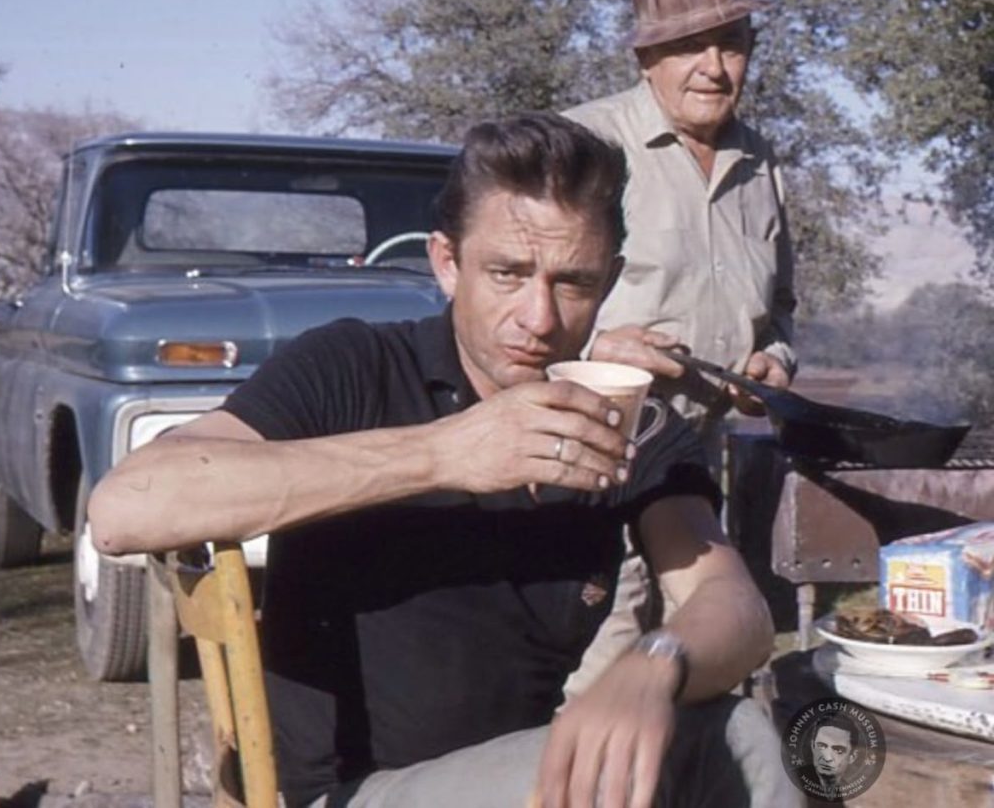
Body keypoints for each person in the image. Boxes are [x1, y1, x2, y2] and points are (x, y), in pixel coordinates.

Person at [89, 113, 797, 808]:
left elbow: (736, 607)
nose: (540, 318)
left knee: (738, 735)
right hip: (345, 794)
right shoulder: (356, 366)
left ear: (609, 284)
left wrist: (657, 663)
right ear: (447, 263)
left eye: (573, 283)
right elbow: (125, 509)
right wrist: (445, 452)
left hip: (512, 778)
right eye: (508, 273)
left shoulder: (622, 417)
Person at [561, 0, 798, 693]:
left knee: (703, 671)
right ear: (645, 56)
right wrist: (596, 347)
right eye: (689, 45)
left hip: (699, 467)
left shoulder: (761, 163)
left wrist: (774, 361)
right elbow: (519, 305)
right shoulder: (585, 143)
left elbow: (782, 307)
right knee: (600, 673)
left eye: (731, 43)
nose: (713, 66)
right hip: (600, 458)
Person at [806, 715, 859, 800]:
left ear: (852, 756)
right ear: (812, 746)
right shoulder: (793, 785)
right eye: (821, 746)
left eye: (838, 750)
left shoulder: (851, 794)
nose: (827, 758)